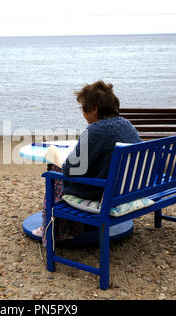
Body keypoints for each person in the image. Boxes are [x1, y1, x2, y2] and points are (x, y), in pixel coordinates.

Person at [32, 80, 142, 244]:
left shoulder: (96, 130)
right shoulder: (126, 124)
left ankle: (54, 230)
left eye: (84, 109)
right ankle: (78, 226)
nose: (83, 114)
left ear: (94, 109)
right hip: (127, 190)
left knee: (55, 171)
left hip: (101, 195)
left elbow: (71, 169)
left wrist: (63, 160)